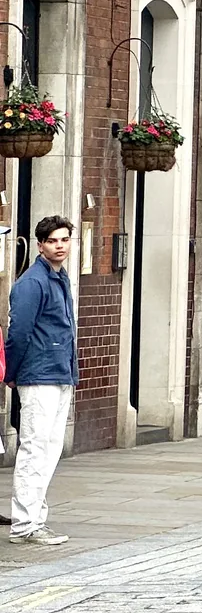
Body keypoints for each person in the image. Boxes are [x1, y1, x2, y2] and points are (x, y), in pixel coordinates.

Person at [6, 216, 79, 547]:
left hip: (60, 373)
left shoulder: (59, 279)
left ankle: (35, 517)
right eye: (53, 241)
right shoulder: (32, 283)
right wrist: (13, 374)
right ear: (40, 245)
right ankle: (24, 524)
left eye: (64, 240)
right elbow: (17, 333)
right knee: (35, 449)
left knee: (50, 449)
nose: (60, 246)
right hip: (38, 375)